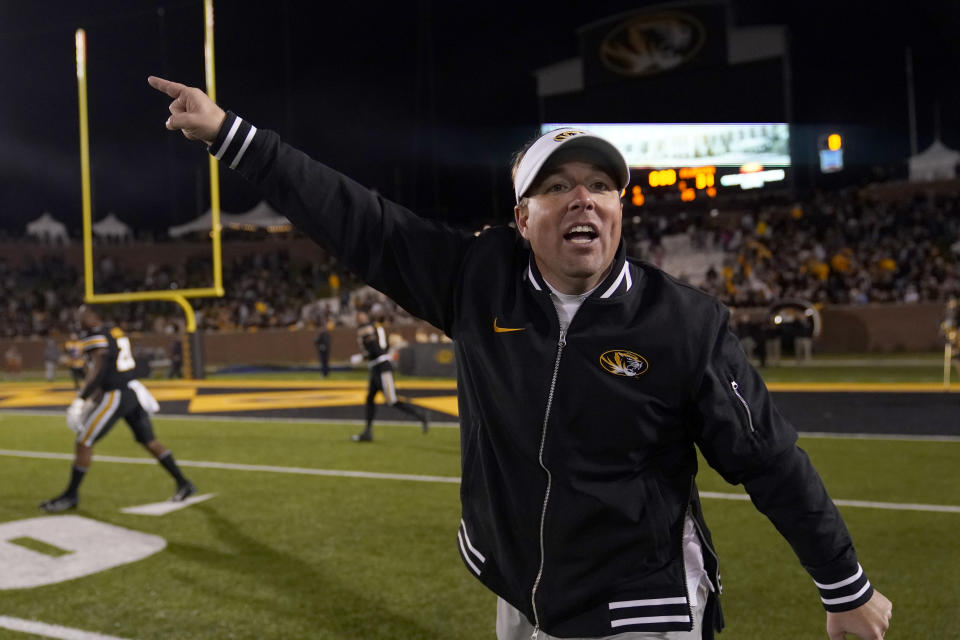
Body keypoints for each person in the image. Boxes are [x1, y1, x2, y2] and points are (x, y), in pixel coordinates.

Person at [148, 75, 892, 639]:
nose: (584, 200)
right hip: (518, 586)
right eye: (558, 187)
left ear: (620, 211)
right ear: (520, 217)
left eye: (602, 186)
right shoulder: (478, 279)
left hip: (638, 605)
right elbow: (356, 221)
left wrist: (845, 586)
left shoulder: (682, 324)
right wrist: (229, 133)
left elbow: (768, 458)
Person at [39, 305, 196, 513]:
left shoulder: (96, 336)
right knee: (149, 442)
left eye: (82, 316)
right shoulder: (114, 331)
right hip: (131, 391)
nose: (78, 320)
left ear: (94, 316)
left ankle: (71, 495)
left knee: (84, 440)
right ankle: (183, 482)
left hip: (116, 394)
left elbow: (99, 369)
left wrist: (81, 400)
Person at [351, 311, 429, 442]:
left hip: (382, 367)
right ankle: (367, 432)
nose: (359, 319)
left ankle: (420, 415)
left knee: (391, 401)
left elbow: (375, 349)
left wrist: (362, 356)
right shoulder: (374, 328)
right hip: (376, 367)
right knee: (370, 399)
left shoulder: (367, 328)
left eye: (361, 316)